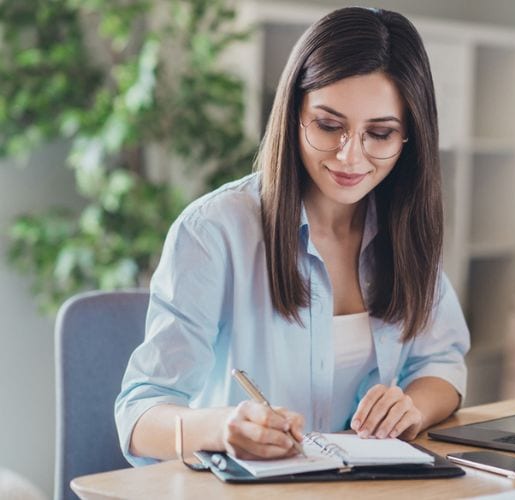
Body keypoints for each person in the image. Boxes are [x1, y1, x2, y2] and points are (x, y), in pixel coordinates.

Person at [115, 6, 470, 466]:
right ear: (293, 115)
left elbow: (442, 364)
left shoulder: (404, 227)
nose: (351, 157)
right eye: (328, 126)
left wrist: (412, 406)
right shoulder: (213, 232)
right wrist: (224, 429)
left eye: (379, 134)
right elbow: (138, 414)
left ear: (409, 138)